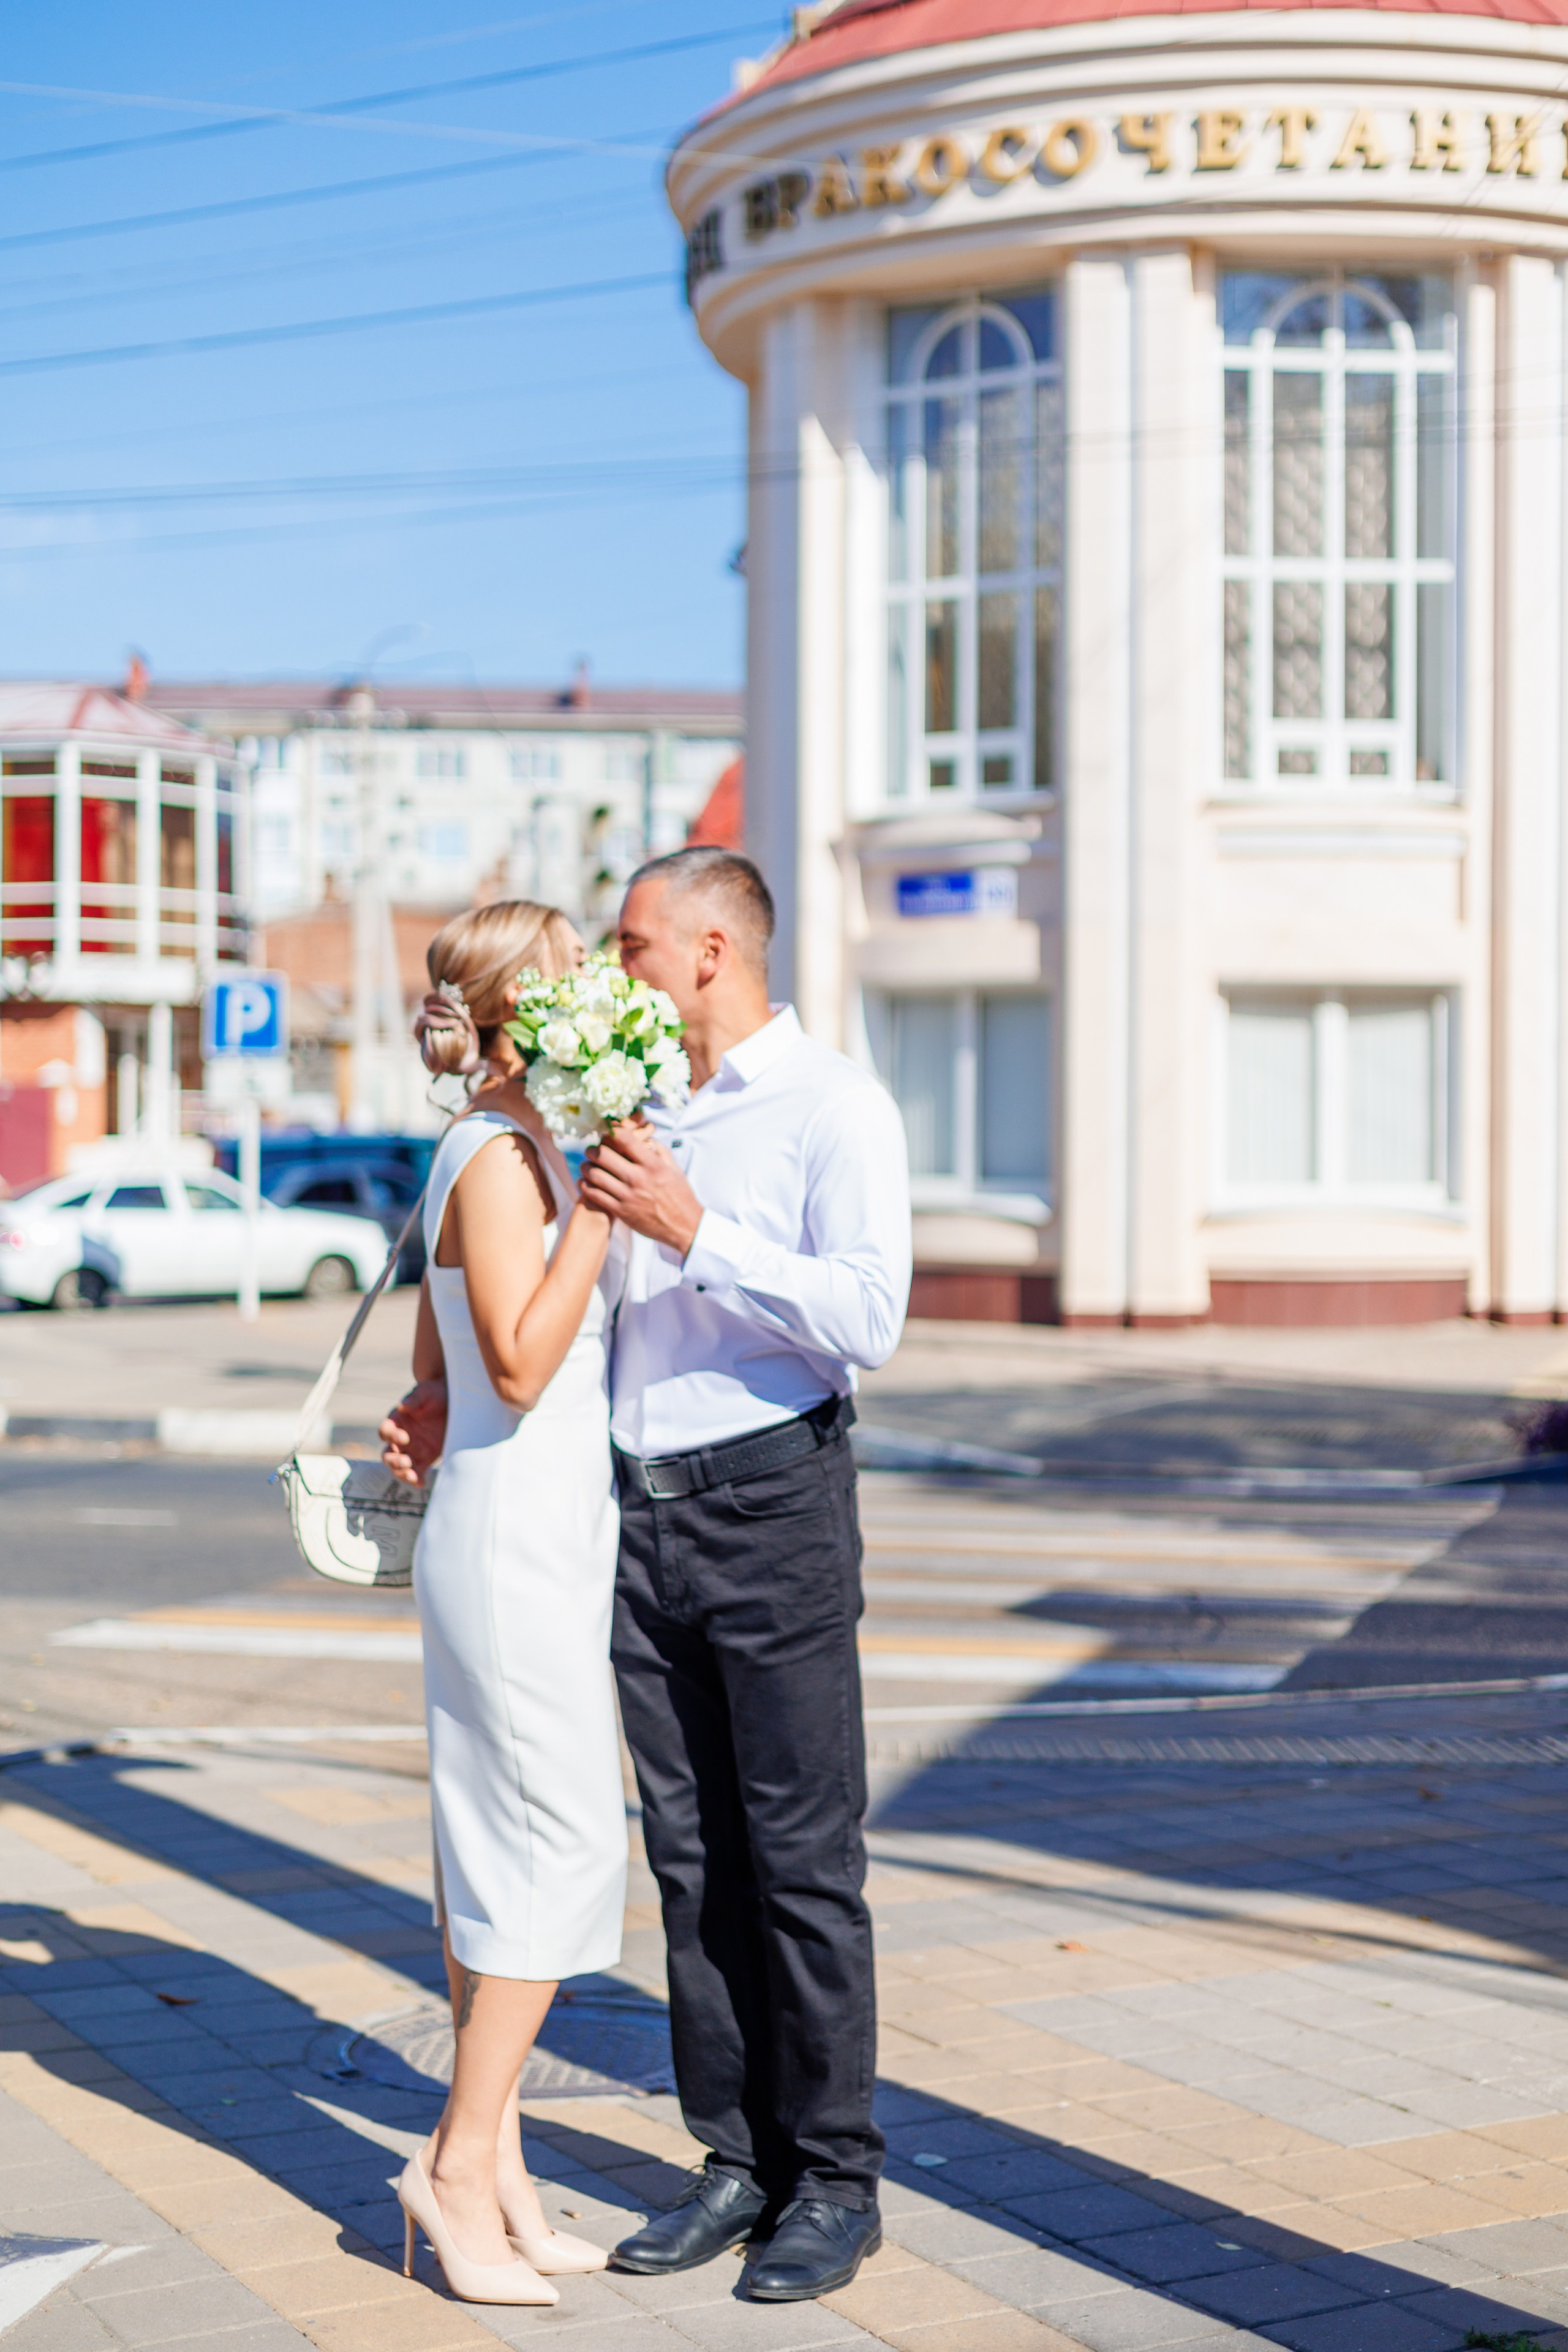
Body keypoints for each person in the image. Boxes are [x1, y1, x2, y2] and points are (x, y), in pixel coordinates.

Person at [385, 849, 913, 2303]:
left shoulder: (833, 1104)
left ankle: (832, 2181)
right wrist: (442, 1399)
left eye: (631, 944)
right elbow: (546, 1317)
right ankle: (731, 2158)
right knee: (688, 1860)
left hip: (771, 1503)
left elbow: (870, 1315)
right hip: (624, 1516)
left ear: (709, 952)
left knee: (799, 1858)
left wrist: (698, 1230)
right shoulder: (628, 1105)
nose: (613, 973)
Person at [380, 900, 627, 2307]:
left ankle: (506, 2173)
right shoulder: (499, 1150)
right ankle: (456, 2169)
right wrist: (600, 1205)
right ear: (530, 1007)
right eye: (580, 974)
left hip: (527, 1530)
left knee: (496, 1854)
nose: (602, 991)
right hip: (512, 1541)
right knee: (554, 1850)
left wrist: (431, 1404)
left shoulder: (509, 1140)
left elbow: (443, 1358)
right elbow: (522, 1368)